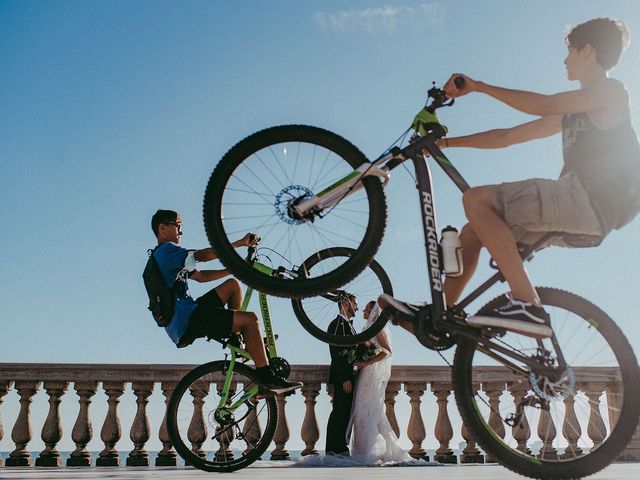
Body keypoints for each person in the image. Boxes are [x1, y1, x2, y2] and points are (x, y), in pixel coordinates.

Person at [383, 17, 640, 339]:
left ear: (587, 50)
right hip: (587, 216)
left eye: (570, 51)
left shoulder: (611, 91)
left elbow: (542, 105)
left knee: (476, 199)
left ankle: (526, 302)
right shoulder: (576, 109)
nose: (565, 59)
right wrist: (445, 144)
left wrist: (478, 86)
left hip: (588, 199)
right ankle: (440, 315)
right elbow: (508, 137)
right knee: (474, 230)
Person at [149, 209, 302, 395]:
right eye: (178, 226)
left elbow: (201, 276)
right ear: (163, 228)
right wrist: (238, 244)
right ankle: (266, 379)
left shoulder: (166, 256)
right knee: (250, 319)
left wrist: (235, 270)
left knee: (232, 285)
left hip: (189, 313)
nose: (181, 231)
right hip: (187, 320)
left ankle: (236, 337)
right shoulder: (167, 250)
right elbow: (203, 256)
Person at [346, 301, 411, 465]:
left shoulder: (378, 328)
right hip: (364, 372)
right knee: (361, 409)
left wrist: (367, 362)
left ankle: (373, 450)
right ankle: (362, 449)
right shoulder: (367, 328)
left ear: (374, 312)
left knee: (366, 409)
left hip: (370, 373)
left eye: (367, 309)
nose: (364, 311)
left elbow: (387, 352)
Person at [325, 292, 358, 456]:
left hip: (350, 377)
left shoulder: (349, 325)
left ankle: (340, 447)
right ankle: (333, 448)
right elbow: (336, 354)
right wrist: (344, 378)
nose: (357, 307)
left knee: (345, 412)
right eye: (355, 303)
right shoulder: (335, 325)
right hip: (342, 377)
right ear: (346, 302)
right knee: (339, 411)